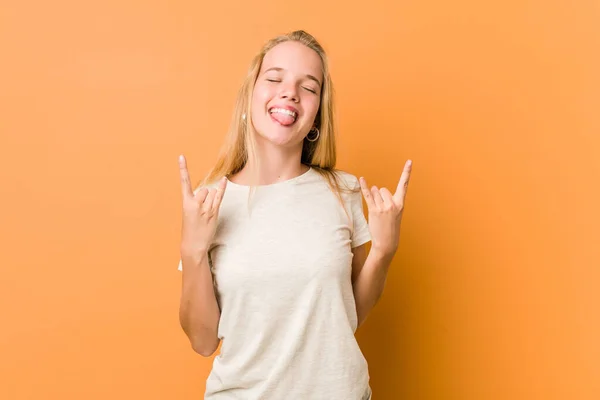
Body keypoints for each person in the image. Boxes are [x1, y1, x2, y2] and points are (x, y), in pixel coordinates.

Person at [177, 29, 412, 400]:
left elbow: (346, 316)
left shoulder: (343, 191)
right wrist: (192, 250)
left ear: (316, 114)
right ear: (250, 96)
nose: (290, 92)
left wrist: (384, 251)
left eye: (309, 87)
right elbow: (203, 341)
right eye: (275, 78)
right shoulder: (210, 201)